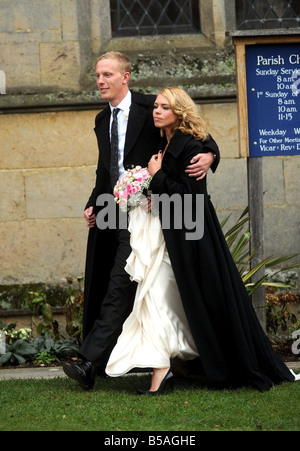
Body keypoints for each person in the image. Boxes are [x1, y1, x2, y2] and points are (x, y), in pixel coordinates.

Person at [105, 87, 297, 393]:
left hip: (194, 235)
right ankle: (174, 365)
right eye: (156, 106)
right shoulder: (162, 141)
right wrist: (151, 192)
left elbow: (190, 198)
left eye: (164, 107)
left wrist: (157, 176)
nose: (156, 111)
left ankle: (200, 367)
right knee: (166, 298)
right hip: (173, 235)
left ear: (179, 113)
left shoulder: (192, 147)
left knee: (201, 295)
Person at [63, 52, 220, 390]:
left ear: (126, 77)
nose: (100, 81)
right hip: (115, 209)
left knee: (125, 281)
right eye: (97, 75)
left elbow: (193, 128)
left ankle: (90, 360)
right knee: (121, 282)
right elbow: (106, 168)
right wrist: (94, 203)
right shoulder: (100, 120)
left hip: (155, 213)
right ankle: (136, 361)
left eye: (107, 74)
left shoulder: (153, 107)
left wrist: (212, 154)